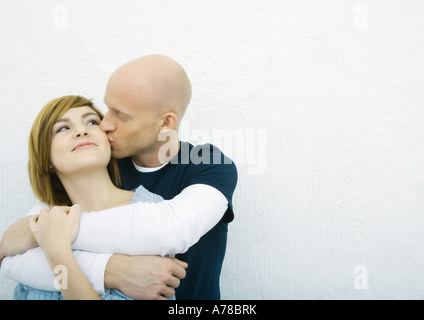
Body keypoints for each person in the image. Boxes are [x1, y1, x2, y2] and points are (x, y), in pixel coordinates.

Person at [1, 55, 238, 300]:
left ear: (165, 122)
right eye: (107, 109)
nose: (104, 124)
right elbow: (14, 262)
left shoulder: (208, 164)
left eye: (121, 115)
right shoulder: (100, 161)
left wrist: (43, 233)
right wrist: (111, 270)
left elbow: (171, 229)